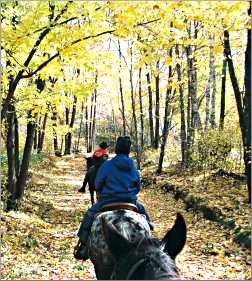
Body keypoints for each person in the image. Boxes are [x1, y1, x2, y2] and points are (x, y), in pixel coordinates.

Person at [74, 136, 153, 260]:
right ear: (128, 150)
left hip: (107, 201)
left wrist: (105, 192)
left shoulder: (107, 165)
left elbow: (98, 184)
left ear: (116, 149)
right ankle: (151, 235)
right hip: (130, 202)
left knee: (89, 215)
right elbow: (138, 187)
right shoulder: (133, 167)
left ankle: (83, 245)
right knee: (143, 214)